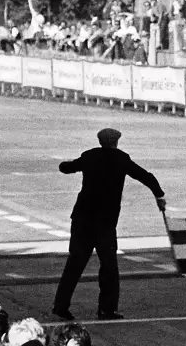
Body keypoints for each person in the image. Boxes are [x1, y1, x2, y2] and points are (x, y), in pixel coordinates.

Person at [52, 128, 167, 321]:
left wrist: (65, 165)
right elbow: (145, 176)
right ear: (116, 142)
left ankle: (60, 306)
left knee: (74, 264)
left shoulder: (90, 156)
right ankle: (107, 309)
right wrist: (159, 195)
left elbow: (67, 168)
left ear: (100, 141)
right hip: (105, 223)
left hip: (82, 219)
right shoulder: (121, 159)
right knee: (109, 268)